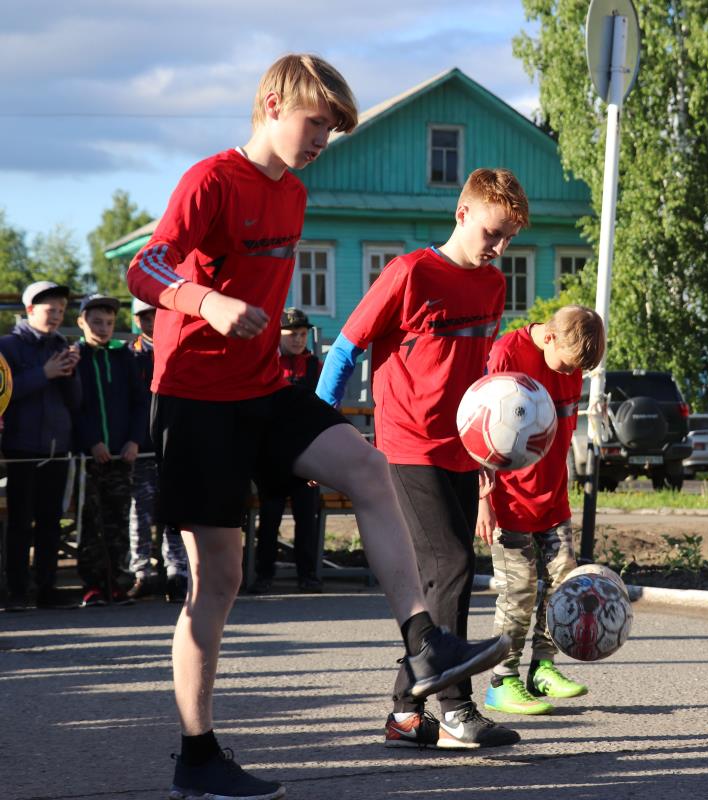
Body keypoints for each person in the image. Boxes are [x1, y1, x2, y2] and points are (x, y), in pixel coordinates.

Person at [126, 54, 509, 800]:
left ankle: (425, 646)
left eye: (331, 133)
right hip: (197, 397)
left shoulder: (296, 195)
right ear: (272, 103)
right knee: (219, 580)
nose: (320, 142)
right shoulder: (210, 181)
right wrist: (207, 304)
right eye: (315, 125)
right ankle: (198, 756)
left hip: (265, 388)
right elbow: (146, 267)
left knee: (368, 471)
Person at [317, 167, 529, 749]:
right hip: (408, 444)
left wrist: (493, 452)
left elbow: (484, 376)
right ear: (461, 215)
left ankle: (406, 714)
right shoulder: (409, 272)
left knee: (446, 575)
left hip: (463, 447)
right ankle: (455, 709)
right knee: (451, 563)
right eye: (492, 234)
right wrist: (311, 427)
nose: (500, 248)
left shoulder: (492, 284)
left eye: (509, 238)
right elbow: (346, 347)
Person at [477, 305, 606, 716]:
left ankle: (543, 668)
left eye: (580, 371)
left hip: (553, 500)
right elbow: (479, 427)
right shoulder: (506, 355)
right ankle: (503, 680)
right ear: (549, 337)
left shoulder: (571, 364)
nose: (572, 375)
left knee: (564, 583)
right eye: (569, 365)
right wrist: (482, 499)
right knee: (518, 591)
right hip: (508, 499)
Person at [0, 281, 80, 611]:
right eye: (51, 310)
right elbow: (5, 394)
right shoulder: (7, 346)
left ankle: (47, 589)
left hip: (57, 448)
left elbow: (76, 402)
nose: (58, 316)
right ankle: (17, 591)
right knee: (20, 522)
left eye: (62, 310)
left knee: (51, 520)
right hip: (21, 449)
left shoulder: (62, 344)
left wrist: (72, 374)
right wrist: (44, 373)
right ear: (30, 310)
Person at [74, 294, 147, 607]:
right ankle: (92, 584)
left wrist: (134, 440)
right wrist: (92, 441)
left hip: (121, 455)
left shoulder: (123, 357)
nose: (103, 328)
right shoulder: (76, 357)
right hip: (91, 456)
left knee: (118, 519)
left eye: (108, 322)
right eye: (96, 322)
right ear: (81, 322)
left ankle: (116, 581)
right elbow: (75, 406)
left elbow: (139, 403)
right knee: (90, 519)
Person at [249, 307, 324, 594]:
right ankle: (264, 574)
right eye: (292, 334)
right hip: (272, 456)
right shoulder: (267, 363)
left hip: (308, 454)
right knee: (270, 515)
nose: (298, 339)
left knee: (307, 515)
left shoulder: (315, 366)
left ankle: (308, 574)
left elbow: (324, 410)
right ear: (277, 335)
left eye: (303, 334)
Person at [128, 296, 188, 603]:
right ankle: (142, 572)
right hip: (142, 448)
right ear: (138, 321)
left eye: (158, 316)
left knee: (174, 511)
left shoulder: (179, 352)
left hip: (175, 446)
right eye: (147, 318)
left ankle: (177, 571)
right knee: (141, 511)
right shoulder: (131, 355)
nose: (154, 323)